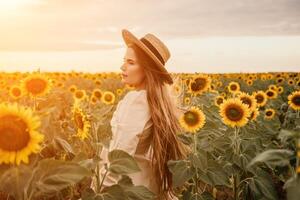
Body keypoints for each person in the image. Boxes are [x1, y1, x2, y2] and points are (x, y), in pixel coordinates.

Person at [94, 29, 191, 200]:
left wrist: (102, 193)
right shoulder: (155, 101)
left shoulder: (136, 101)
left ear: (147, 69)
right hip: (146, 185)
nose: (122, 67)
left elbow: (119, 158)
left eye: (131, 62)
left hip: (125, 189)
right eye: (124, 61)